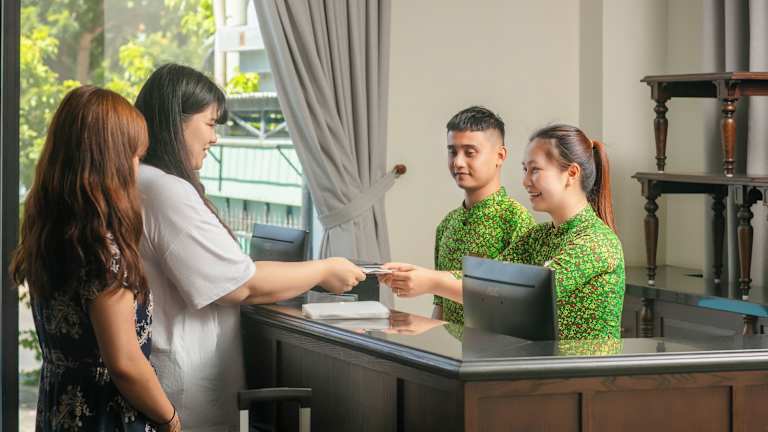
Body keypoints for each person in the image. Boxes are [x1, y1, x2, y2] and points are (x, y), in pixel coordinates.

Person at [134, 63, 366, 431]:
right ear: (176, 121)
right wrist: (323, 270)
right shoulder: (165, 190)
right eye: (210, 124)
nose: (215, 138)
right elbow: (238, 284)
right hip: (182, 395)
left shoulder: (139, 181)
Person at [11, 86, 181, 431]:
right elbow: (125, 364)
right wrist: (171, 419)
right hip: (106, 418)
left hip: (59, 411)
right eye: (135, 156)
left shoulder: (51, 236)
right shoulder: (104, 253)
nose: (137, 168)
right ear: (111, 163)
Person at [380, 106, 534, 324]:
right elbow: (440, 306)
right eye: (452, 151)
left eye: (470, 153)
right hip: (449, 345)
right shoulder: (447, 224)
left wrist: (429, 281)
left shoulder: (516, 220)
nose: (458, 162)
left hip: (497, 344)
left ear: (500, 156)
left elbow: (513, 299)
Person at [500, 124, 624, 340]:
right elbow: (486, 279)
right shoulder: (538, 236)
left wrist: (438, 283)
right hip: (540, 359)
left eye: (535, 170)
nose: (525, 181)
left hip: (582, 363)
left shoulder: (597, 241)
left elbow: (531, 293)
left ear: (571, 173)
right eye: (525, 170)